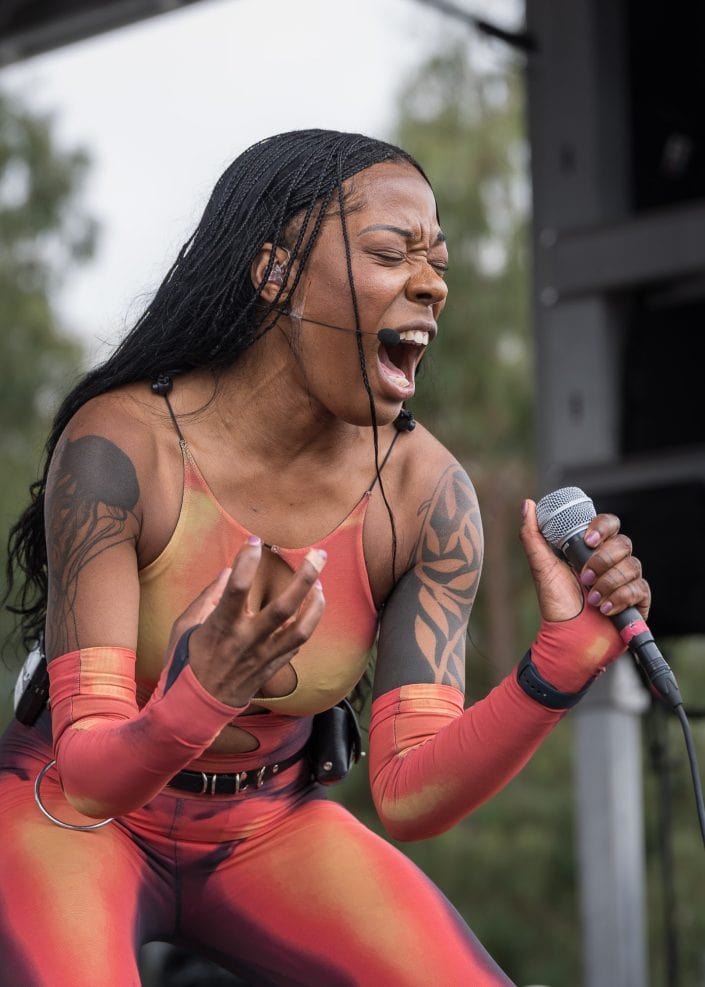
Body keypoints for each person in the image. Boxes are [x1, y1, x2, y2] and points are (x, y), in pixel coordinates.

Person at [0, 129, 650, 986]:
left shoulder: (426, 493)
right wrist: (200, 695)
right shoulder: (122, 448)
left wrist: (555, 667)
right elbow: (89, 778)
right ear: (272, 273)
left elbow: (410, 795)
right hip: (71, 815)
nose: (432, 284)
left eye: (438, 263)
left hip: (267, 824)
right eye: (391, 253)